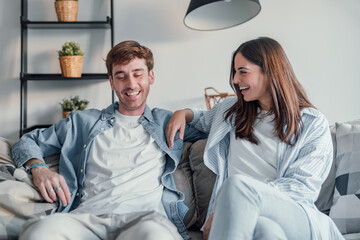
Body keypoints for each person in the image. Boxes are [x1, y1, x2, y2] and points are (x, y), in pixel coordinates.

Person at [12, 40, 205, 240]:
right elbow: (26, 142)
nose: (131, 84)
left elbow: (219, 125)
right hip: (86, 219)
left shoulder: (167, 121)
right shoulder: (81, 122)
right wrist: (38, 169)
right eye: (121, 76)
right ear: (112, 82)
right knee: (39, 232)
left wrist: (187, 113)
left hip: (145, 221)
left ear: (151, 77)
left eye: (138, 74)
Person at [166, 37, 344, 240]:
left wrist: (234, 206)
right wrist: (183, 112)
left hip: (295, 215)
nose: (234, 80)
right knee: (266, 232)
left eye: (243, 72)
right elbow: (200, 120)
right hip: (254, 222)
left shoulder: (312, 123)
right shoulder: (231, 112)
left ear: (270, 72)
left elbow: (302, 188)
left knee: (237, 186)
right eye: (234, 72)